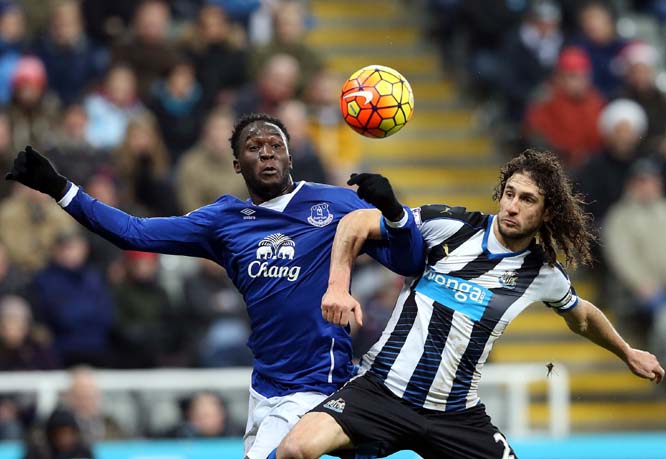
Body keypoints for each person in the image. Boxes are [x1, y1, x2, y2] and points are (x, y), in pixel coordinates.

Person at [4, 112, 424, 459]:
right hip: (265, 386)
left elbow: (407, 260)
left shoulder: (336, 205)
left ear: (290, 155)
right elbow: (134, 232)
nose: (267, 154)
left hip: (318, 379)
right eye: (254, 148)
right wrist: (60, 189)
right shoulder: (223, 221)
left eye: (275, 146)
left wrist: (392, 212)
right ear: (238, 164)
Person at [275, 149, 665, 459]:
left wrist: (627, 352)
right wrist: (338, 287)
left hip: (456, 415)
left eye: (527, 199)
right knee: (295, 449)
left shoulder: (542, 273)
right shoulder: (451, 226)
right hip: (380, 392)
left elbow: (581, 317)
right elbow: (356, 223)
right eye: (509, 193)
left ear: (547, 213)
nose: (512, 206)